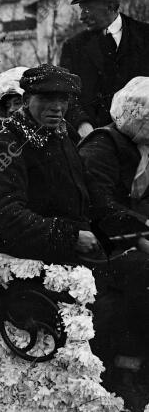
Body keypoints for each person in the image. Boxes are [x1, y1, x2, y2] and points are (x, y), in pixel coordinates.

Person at [78, 77, 149, 392]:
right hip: (100, 245)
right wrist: (142, 233)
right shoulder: (102, 145)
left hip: (132, 238)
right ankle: (128, 363)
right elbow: (100, 204)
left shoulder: (140, 147)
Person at [0, 64, 97, 264]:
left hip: (83, 246)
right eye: (46, 98)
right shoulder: (8, 144)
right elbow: (6, 216)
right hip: (40, 258)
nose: (57, 107)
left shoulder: (65, 133)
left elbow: (89, 191)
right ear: (27, 101)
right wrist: (70, 237)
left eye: (63, 99)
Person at [60, 0, 149, 135]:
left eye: (86, 9)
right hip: (94, 142)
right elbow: (66, 94)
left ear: (111, 5)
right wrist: (83, 125)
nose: (81, 17)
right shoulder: (73, 47)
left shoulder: (145, 36)